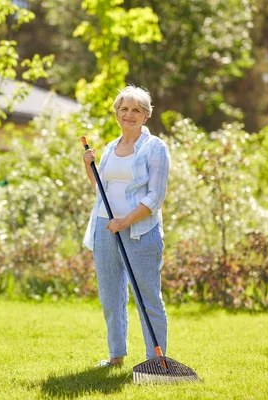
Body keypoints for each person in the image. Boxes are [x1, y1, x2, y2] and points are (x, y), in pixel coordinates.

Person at [82, 85, 171, 367]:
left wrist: (125, 221)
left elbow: (154, 197)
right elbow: (102, 190)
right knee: (111, 298)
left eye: (136, 110)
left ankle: (155, 361)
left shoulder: (155, 148)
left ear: (145, 115)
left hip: (140, 232)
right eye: (124, 109)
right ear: (117, 114)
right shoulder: (109, 148)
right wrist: (89, 166)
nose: (129, 114)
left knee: (148, 298)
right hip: (105, 229)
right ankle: (116, 356)